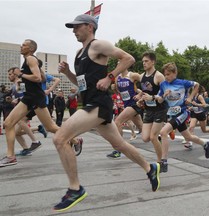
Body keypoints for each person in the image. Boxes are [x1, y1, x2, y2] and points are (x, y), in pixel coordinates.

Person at [53, 14, 160, 212]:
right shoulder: (79, 52)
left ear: (90, 27)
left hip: (98, 104)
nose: (74, 31)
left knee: (60, 138)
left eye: (77, 27)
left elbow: (128, 58)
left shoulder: (98, 45)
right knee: (120, 144)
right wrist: (68, 73)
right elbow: (82, 83)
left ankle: (75, 189)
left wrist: (110, 77)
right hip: (90, 101)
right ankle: (150, 168)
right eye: (72, 28)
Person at [0, 39, 81, 168]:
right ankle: (10, 157)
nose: (21, 46)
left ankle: (75, 140)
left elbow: (37, 78)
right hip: (29, 97)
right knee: (8, 123)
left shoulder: (30, 59)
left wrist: (21, 74)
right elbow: (42, 78)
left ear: (31, 49)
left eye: (24, 45)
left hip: (36, 97)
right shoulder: (31, 61)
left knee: (50, 127)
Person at [156, 63, 209, 172]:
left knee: (163, 132)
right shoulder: (163, 84)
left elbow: (197, 85)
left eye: (168, 74)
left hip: (182, 113)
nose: (166, 76)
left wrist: (190, 97)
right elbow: (159, 100)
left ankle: (164, 161)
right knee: (189, 137)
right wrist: (164, 95)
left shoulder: (182, 83)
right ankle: (206, 144)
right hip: (172, 114)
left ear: (175, 73)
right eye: (165, 74)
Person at [134, 51, 166, 167]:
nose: (144, 63)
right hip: (148, 110)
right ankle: (159, 136)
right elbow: (145, 91)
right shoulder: (142, 76)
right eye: (143, 61)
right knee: (145, 138)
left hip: (159, 110)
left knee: (152, 137)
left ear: (153, 62)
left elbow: (165, 95)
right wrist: (140, 97)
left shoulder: (159, 76)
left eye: (146, 61)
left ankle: (160, 161)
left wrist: (152, 97)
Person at [106, 68, 143, 159]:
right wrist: (115, 89)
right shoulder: (117, 78)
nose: (119, 64)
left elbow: (147, 82)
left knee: (117, 122)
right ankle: (158, 138)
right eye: (118, 62)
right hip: (126, 105)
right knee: (142, 129)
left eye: (121, 61)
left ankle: (118, 150)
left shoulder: (132, 75)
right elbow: (119, 92)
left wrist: (140, 94)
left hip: (134, 104)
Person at [184, 85, 209, 149]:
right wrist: (190, 108)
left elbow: (204, 104)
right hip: (194, 113)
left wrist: (196, 104)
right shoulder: (191, 96)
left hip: (200, 114)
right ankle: (190, 143)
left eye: (194, 89)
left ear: (197, 90)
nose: (193, 90)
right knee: (191, 127)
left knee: (204, 130)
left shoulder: (199, 96)